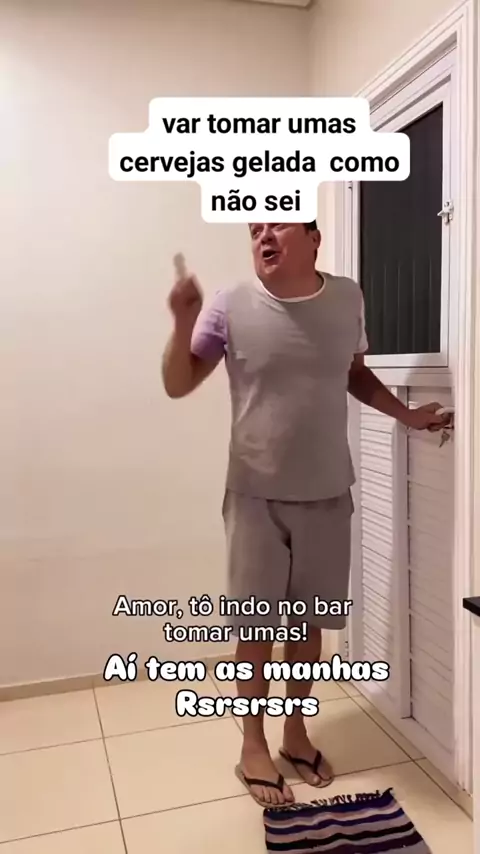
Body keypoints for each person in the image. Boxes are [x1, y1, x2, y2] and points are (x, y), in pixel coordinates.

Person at [162, 221, 448, 808]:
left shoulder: (347, 298)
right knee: (256, 630)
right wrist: (182, 322)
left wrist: (408, 416)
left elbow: (354, 374)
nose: (263, 237)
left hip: (327, 490)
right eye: (255, 230)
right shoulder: (230, 304)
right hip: (255, 496)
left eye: (276, 226)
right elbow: (177, 382)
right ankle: (253, 745)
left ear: (313, 238)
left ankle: (295, 733)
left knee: (309, 623)